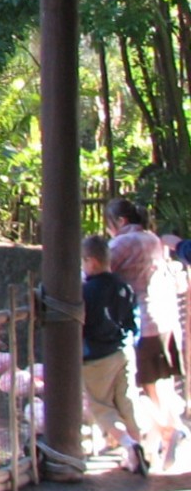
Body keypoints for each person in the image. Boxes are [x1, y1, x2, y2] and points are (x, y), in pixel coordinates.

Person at [104, 197, 188, 466]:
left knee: (141, 388)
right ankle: (160, 439)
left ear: (120, 221)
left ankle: (167, 429)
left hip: (141, 323)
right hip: (163, 320)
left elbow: (98, 273)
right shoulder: (152, 238)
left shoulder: (120, 243)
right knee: (159, 384)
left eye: (108, 225)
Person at [80, 234, 149, 474]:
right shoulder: (123, 286)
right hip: (125, 350)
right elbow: (134, 321)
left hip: (98, 356)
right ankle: (138, 450)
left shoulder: (86, 291)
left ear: (92, 262)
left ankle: (129, 445)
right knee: (128, 401)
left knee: (101, 407)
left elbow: (83, 324)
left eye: (83, 262)